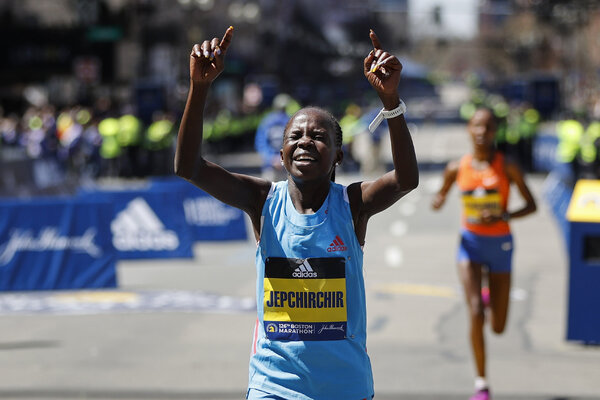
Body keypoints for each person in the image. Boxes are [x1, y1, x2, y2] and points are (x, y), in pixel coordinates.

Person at [175, 26, 418, 400]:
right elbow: (188, 167)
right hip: (274, 385)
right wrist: (199, 87)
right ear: (283, 151)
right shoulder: (261, 201)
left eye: (318, 136)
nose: (305, 140)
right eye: (295, 136)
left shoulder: (352, 205)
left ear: (338, 155)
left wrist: (391, 101)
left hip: (345, 386)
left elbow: (405, 178)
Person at [431, 108, 537, 400]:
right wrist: (438, 200)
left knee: (499, 327)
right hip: (470, 245)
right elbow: (440, 196)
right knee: (475, 312)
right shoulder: (456, 167)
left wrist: (504, 214)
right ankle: (481, 383)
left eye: (488, 127)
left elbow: (532, 205)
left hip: (501, 245)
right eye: (477, 126)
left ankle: (490, 292)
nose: (482, 132)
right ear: (469, 129)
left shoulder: (507, 166)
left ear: (495, 132)